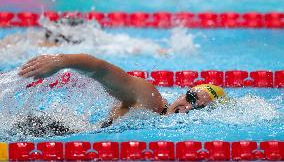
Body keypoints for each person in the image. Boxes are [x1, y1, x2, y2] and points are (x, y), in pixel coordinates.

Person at [19, 54, 227, 128]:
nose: (188, 107)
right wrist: (61, 61)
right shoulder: (150, 98)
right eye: (191, 97)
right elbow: (101, 69)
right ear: (183, 93)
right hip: (54, 130)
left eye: (198, 108)